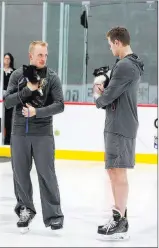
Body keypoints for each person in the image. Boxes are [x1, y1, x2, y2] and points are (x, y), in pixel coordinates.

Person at [4, 41, 65, 233]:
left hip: (43, 133)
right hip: (19, 131)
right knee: (20, 173)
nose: (43, 58)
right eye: (40, 55)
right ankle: (25, 209)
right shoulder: (17, 75)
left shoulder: (52, 77)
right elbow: (8, 101)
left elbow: (60, 105)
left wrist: (36, 112)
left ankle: (54, 215)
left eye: (45, 55)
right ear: (30, 56)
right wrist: (28, 90)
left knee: (47, 173)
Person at [93, 27, 144, 240]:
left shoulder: (124, 65)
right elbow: (114, 92)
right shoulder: (128, 64)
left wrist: (98, 94)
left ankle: (120, 220)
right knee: (114, 170)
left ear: (117, 42)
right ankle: (119, 216)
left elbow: (106, 98)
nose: (110, 49)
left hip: (120, 125)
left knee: (117, 171)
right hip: (119, 123)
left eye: (110, 45)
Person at [0, 53, 16, 145]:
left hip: (10, 97)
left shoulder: (13, 71)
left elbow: (15, 83)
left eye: (8, 59)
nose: (6, 60)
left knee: (9, 119)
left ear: (11, 60)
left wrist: (8, 92)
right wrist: (1, 91)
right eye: (5, 58)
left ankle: (8, 140)